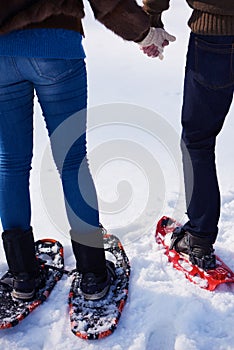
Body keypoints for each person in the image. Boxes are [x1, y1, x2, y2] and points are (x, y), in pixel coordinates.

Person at [0, 0, 176, 301]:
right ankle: (93, 274)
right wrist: (145, 33)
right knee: (72, 163)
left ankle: (23, 275)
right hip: (57, 45)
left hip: (3, 55)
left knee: (10, 165)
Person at [142, 0, 234, 270]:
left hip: (215, 36)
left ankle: (199, 239)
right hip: (213, 34)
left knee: (198, 141)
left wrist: (152, 16)